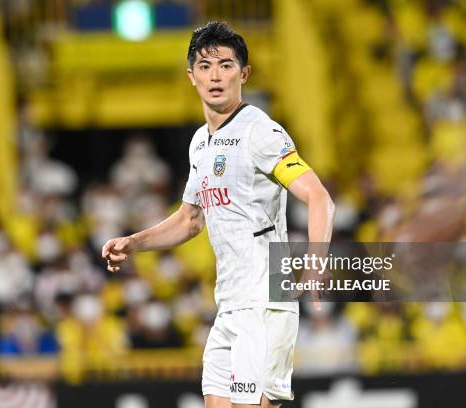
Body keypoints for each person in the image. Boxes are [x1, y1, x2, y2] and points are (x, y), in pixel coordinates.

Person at [102, 22, 335, 408]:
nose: (215, 75)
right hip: (229, 305)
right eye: (205, 65)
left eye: (226, 65)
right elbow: (190, 220)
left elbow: (319, 199)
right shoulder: (200, 142)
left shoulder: (260, 132)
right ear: (191, 75)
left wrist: (315, 265)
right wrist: (134, 242)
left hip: (265, 301)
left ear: (244, 74)